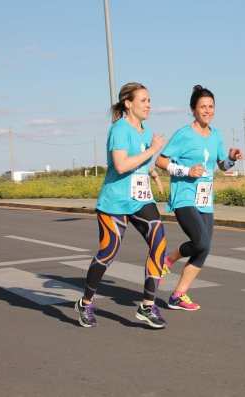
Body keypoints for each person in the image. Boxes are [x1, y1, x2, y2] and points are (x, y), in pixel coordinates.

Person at [75, 82, 170, 329]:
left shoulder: (146, 131)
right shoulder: (119, 129)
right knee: (108, 252)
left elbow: (141, 161)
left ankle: (147, 306)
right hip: (115, 202)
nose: (148, 105)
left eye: (150, 100)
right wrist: (151, 150)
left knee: (159, 242)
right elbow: (121, 165)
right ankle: (85, 303)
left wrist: (154, 171)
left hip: (140, 200)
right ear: (128, 103)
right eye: (143, 100)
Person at [155, 85, 243, 311]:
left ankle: (178, 295)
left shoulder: (216, 135)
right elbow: (161, 161)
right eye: (202, 107)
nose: (207, 111)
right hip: (184, 196)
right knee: (201, 241)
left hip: (205, 199)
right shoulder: (183, 134)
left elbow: (222, 165)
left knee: (203, 248)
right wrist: (186, 171)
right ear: (193, 109)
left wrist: (231, 159)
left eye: (211, 107)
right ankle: (168, 260)